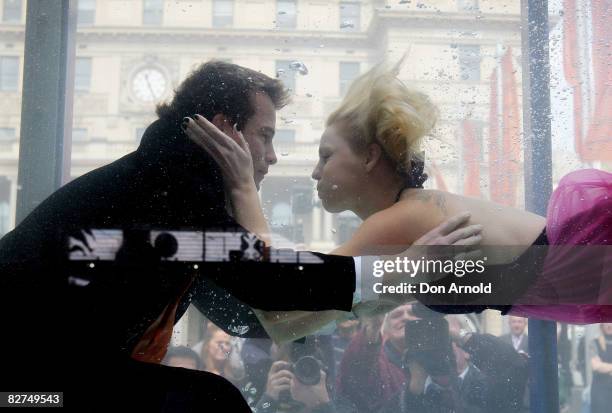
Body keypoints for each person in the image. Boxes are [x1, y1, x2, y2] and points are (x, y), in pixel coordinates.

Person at [0, 60, 481, 411]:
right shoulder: (168, 186)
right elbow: (266, 283)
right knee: (210, 403)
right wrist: (402, 271)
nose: (273, 157)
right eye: (266, 135)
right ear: (226, 129)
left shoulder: (161, 184)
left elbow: (243, 312)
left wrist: (353, 308)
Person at [185, 58, 612, 325]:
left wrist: (243, 187)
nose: (314, 172)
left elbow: (279, 295)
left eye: (326, 155)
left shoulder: (404, 219)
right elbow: (291, 320)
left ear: (370, 157)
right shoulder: (408, 229)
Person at [589, 323, 612, 413]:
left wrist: (604, 366)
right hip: (600, 393)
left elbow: (600, 366)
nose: (609, 325)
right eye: (606, 322)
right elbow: (596, 366)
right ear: (601, 324)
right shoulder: (594, 342)